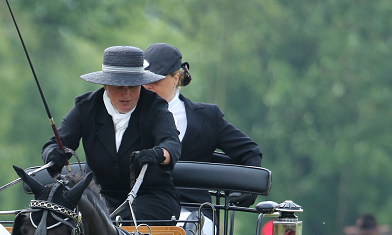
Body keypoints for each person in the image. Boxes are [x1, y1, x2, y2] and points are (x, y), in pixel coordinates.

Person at [41, 46, 182, 224]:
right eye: (119, 87)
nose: (127, 94)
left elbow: (171, 143)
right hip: (98, 196)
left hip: (151, 197)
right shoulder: (86, 107)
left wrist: (157, 154)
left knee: (128, 229)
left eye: (133, 87)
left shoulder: (155, 106)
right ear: (105, 85)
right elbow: (54, 144)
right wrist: (53, 155)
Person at [143, 43, 262, 209]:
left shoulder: (206, 117)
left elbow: (250, 151)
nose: (147, 85)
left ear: (175, 79)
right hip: (140, 210)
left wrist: (250, 187)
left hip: (193, 212)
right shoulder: (127, 115)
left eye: (155, 79)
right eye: (144, 79)